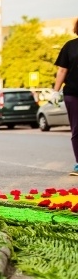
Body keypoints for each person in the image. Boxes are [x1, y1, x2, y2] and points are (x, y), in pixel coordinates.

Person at [53, 18, 78, 176]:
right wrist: (55, 91)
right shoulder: (70, 46)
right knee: (77, 129)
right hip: (73, 94)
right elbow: (62, 71)